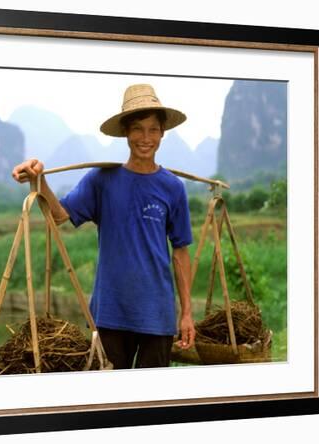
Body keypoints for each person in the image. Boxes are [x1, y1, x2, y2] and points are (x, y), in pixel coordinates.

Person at [11, 84, 196, 369]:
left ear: (162, 133)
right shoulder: (102, 179)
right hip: (111, 314)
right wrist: (39, 179)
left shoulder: (172, 188)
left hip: (157, 315)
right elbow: (60, 215)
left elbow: (181, 252)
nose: (145, 138)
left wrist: (186, 313)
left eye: (152, 129)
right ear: (125, 132)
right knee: (111, 400)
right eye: (137, 129)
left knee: (153, 404)